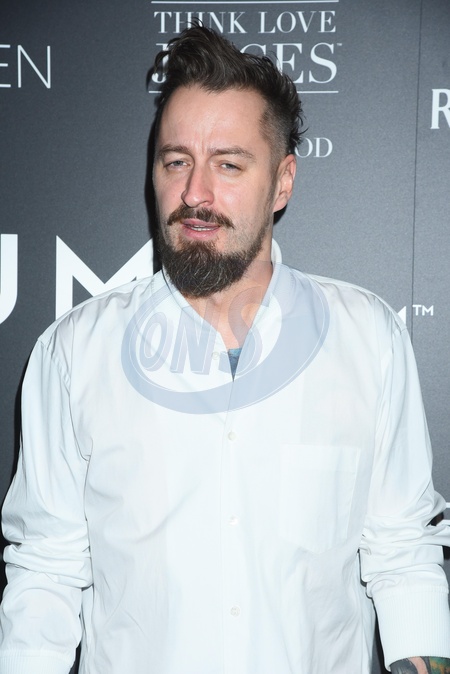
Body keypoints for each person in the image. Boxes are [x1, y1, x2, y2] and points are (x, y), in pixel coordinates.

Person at [0, 24, 449, 674]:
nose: (195, 194)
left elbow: (403, 550)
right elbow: (46, 571)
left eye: (228, 164)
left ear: (283, 182)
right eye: (176, 161)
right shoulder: (73, 354)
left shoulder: (368, 338)